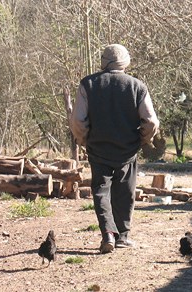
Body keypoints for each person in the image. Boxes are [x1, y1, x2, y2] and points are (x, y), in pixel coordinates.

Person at [70, 44, 159, 253]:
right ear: (125, 62)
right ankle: (123, 236)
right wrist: (142, 139)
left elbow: (77, 120)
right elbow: (151, 122)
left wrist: (84, 140)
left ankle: (108, 234)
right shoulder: (137, 86)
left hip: (98, 149)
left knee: (101, 191)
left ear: (103, 61)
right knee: (125, 192)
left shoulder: (88, 84)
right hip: (127, 150)